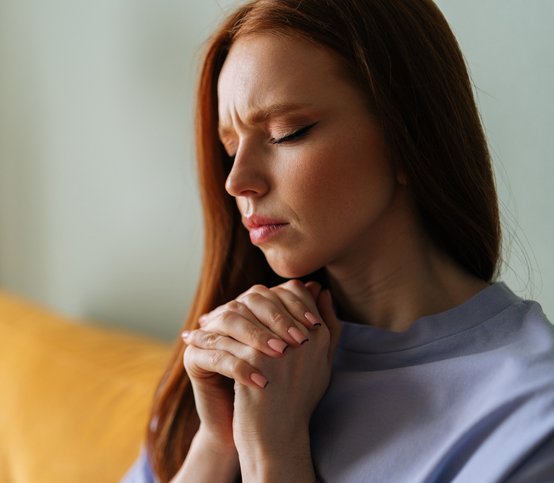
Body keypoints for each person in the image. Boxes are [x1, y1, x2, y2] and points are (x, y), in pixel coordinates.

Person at [121, 0, 554, 481]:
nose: (237, 180)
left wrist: (273, 453)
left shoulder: (533, 416)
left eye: (287, 132)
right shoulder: (228, 358)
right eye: (230, 147)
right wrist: (216, 442)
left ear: (410, 135)